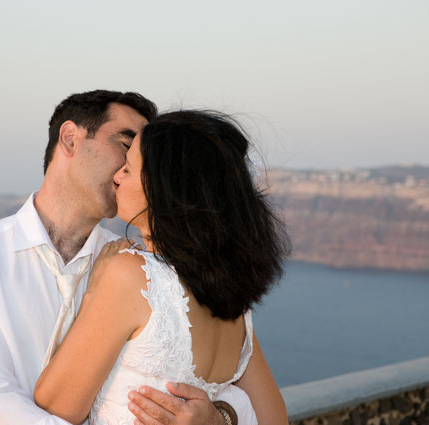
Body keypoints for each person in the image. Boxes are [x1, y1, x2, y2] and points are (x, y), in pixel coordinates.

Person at [0, 91, 262, 425]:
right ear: (70, 139)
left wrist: (221, 416)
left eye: (142, 159)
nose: (125, 167)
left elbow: (222, 390)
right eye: (126, 144)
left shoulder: (141, 268)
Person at [33, 110, 291, 425]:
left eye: (128, 169)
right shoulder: (232, 298)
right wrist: (223, 416)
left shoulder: (132, 274)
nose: (117, 176)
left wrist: (94, 289)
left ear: (163, 188)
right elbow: (275, 418)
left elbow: (55, 405)